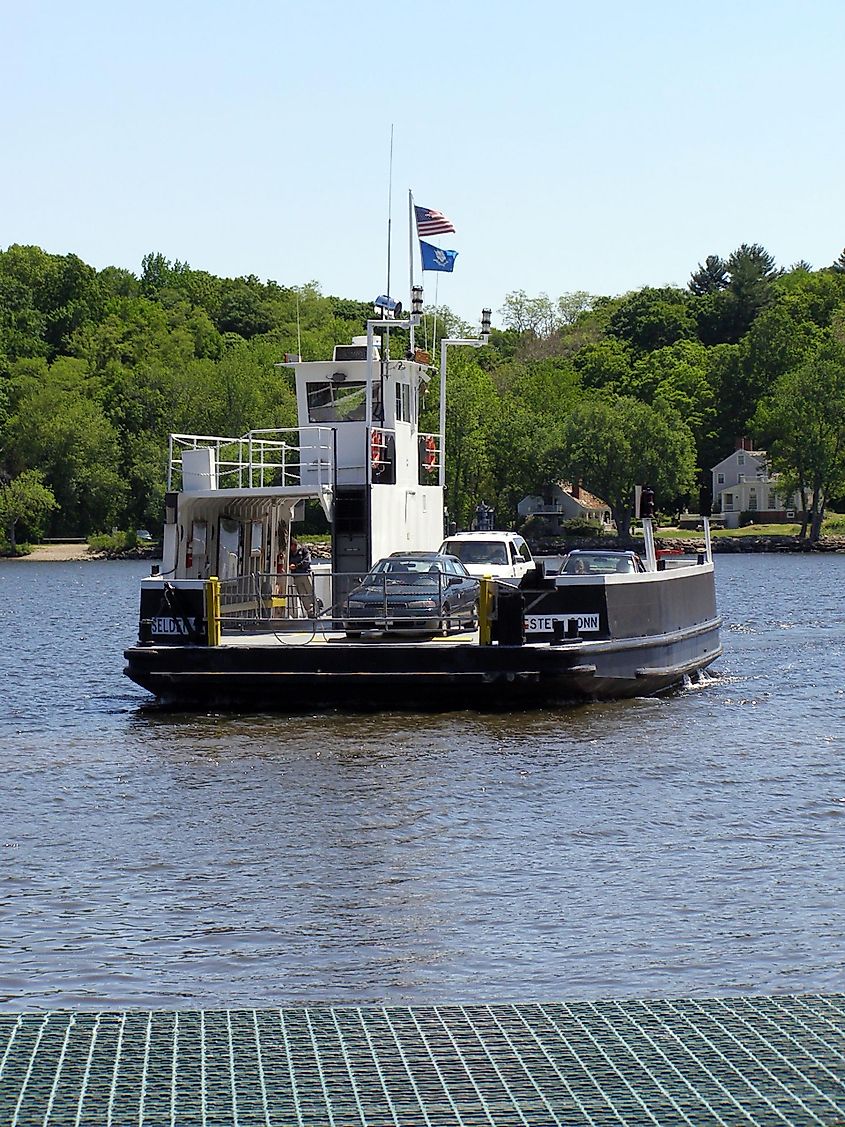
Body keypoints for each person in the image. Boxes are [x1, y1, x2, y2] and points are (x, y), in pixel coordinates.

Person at [289, 538, 317, 618]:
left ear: (294, 545)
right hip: (296, 577)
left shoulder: (304, 551)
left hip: (305, 574)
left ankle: (316, 610)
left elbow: (307, 561)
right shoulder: (290, 554)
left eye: (291, 546)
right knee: (302, 595)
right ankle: (310, 612)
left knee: (310, 592)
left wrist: (297, 566)